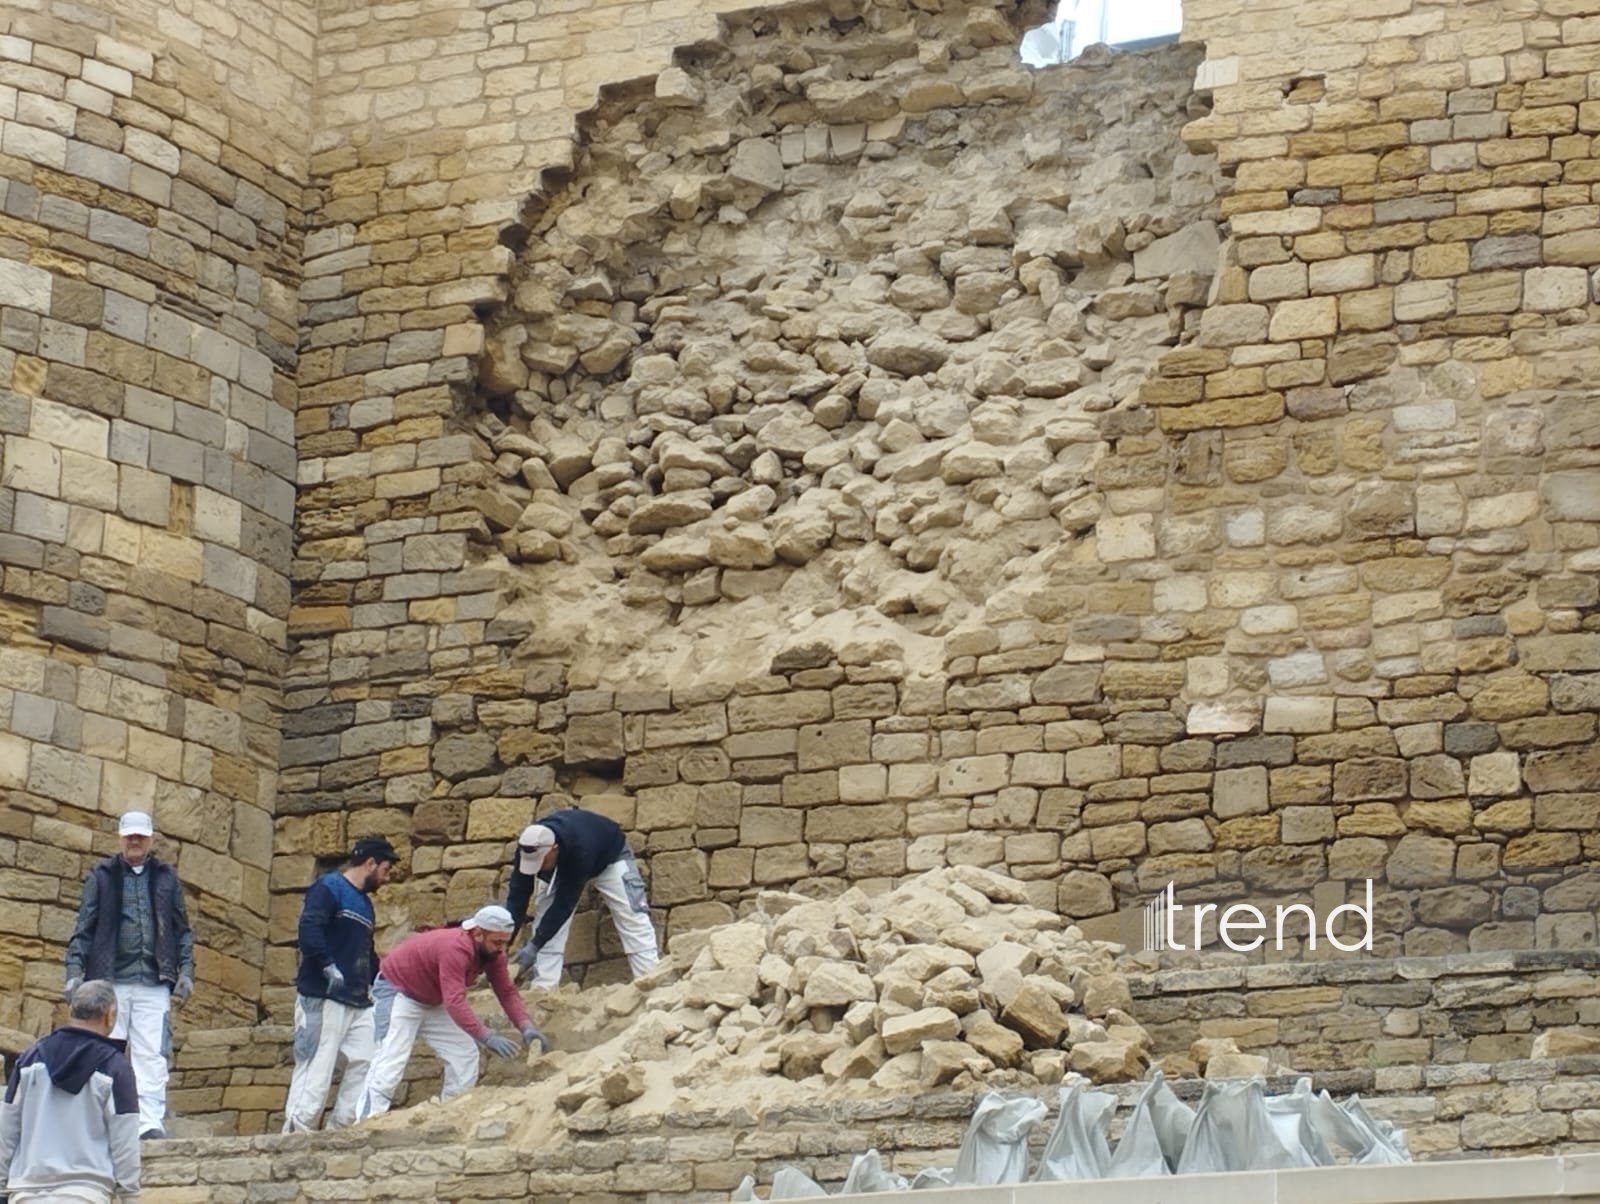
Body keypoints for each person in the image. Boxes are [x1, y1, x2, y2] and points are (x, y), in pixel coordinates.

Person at [63, 810, 195, 1140]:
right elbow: (85, 927)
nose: (135, 841)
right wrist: (74, 970)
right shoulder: (102, 875)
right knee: (106, 1049)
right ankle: (102, 1120)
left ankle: (148, 1121)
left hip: (154, 980)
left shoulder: (166, 877)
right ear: (121, 838)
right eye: (129, 835)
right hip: (111, 980)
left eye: (141, 836)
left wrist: (186, 970)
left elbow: (182, 929)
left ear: (150, 839)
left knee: (152, 1053)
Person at [360, 905, 548, 1118]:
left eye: (505, 943)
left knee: (463, 1053)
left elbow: (506, 991)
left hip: (431, 998)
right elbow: (455, 1002)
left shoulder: (494, 954)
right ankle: (367, 1121)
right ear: (477, 933)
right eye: (497, 942)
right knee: (391, 1058)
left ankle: (450, 1114)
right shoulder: (456, 948)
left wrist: (526, 1026)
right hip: (399, 991)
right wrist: (488, 1036)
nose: (502, 949)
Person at [281, 836, 400, 1133]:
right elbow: (310, 927)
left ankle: (342, 1128)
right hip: (324, 995)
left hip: (358, 1000)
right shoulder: (328, 888)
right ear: (370, 863)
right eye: (386, 868)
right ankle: (297, 1131)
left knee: (367, 1062)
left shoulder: (364, 905)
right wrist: (326, 965)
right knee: (316, 1066)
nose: (388, 876)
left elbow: (364, 949)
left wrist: (383, 978)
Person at [0, 979, 141, 1203]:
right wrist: (129, 1194)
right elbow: (124, 1137)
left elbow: (7, 1126)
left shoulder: (30, 1059)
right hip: (85, 1193)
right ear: (109, 1015)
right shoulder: (116, 1067)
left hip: (26, 1193)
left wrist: (1, 1186)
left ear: (70, 1011)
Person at [506, 811, 659, 988]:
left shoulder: (581, 847)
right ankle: (543, 990)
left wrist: (533, 946)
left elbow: (564, 904)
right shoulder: (528, 847)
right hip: (564, 862)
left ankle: (651, 981)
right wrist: (503, 943)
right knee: (544, 920)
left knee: (632, 916)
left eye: (541, 861)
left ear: (554, 848)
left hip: (609, 856)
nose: (537, 866)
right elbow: (517, 897)